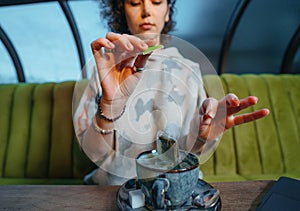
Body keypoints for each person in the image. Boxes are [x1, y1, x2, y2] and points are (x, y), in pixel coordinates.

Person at [73, 0, 269, 186]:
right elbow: (93, 152)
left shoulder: (188, 70)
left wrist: (202, 136)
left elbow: (188, 152)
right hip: (115, 188)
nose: (146, 11)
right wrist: (109, 105)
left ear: (167, 12)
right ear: (122, 12)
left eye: (157, 2)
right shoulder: (106, 70)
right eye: (134, 3)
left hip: (176, 187)